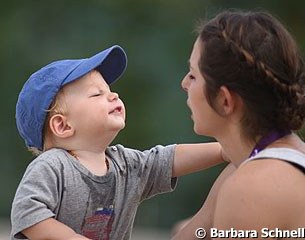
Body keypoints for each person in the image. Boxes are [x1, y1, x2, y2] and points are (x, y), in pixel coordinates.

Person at [11, 45, 226, 240]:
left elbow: (167, 159)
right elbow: (28, 212)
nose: (113, 95)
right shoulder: (52, 166)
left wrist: (225, 150)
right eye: (97, 94)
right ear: (63, 126)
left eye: (109, 90)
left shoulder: (124, 164)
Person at [172, 10, 305, 239]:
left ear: (225, 100)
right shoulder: (248, 168)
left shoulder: (253, 187)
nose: (184, 83)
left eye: (193, 76)